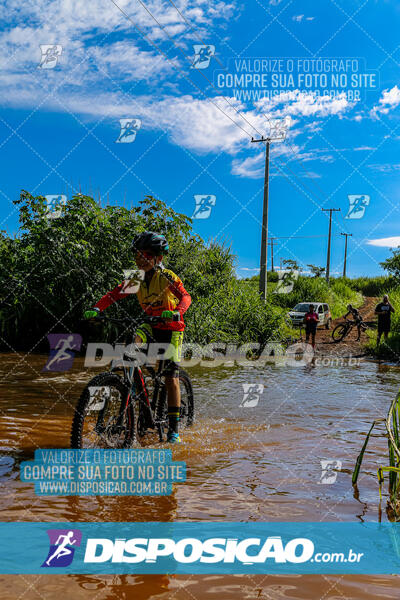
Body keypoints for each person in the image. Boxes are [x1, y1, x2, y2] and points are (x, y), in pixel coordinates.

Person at [84, 232, 191, 444]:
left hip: (172, 328)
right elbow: (114, 294)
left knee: (170, 377)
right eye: (138, 255)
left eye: (147, 255)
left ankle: (174, 431)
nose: (141, 259)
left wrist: (178, 311)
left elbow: (186, 296)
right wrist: (97, 308)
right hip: (149, 324)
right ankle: (131, 391)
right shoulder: (136, 278)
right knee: (129, 349)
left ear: (158, 258)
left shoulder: (166, 276)